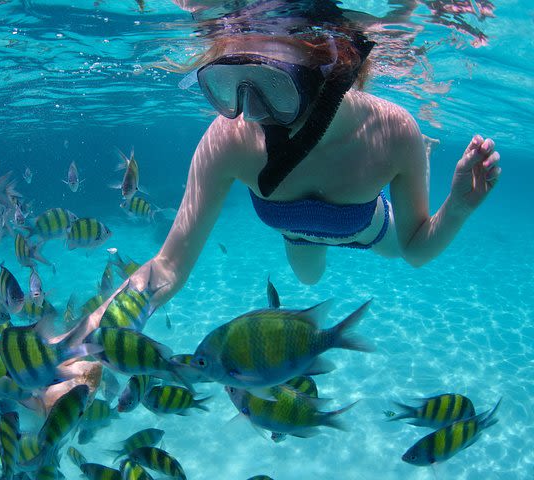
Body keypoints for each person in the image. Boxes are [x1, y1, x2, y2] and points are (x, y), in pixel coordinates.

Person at [72, 5, 500, 344]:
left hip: (369, 227)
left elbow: (415, 250)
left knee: (389, 249)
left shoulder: (392, 133)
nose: (250, 111)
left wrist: (458, 207)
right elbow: (166, 267)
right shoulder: (229, 138)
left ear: (330, 75)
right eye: (232, 84)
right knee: (309, 276)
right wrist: (79, 341)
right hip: (298, 236)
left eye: (272, 86)